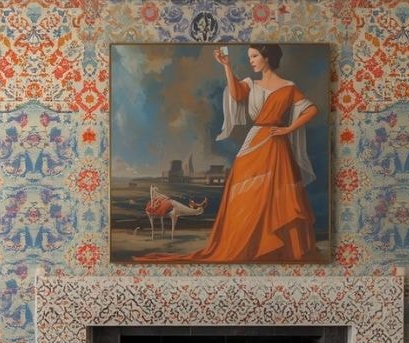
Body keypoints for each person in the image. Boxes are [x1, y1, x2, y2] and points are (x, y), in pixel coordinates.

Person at [137, 44, 321, 262]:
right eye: (249, 56)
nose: (251, 60)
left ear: (267, 57)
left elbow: (312, 109)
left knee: (275, 195)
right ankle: (245, 243)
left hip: (277, 144)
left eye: (254, 56)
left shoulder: (289, 87)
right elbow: (235, 94)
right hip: (254, 142)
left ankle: (272, 246)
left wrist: (289, 129)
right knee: (245, 195)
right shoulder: (251, 84)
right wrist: (227, 66)